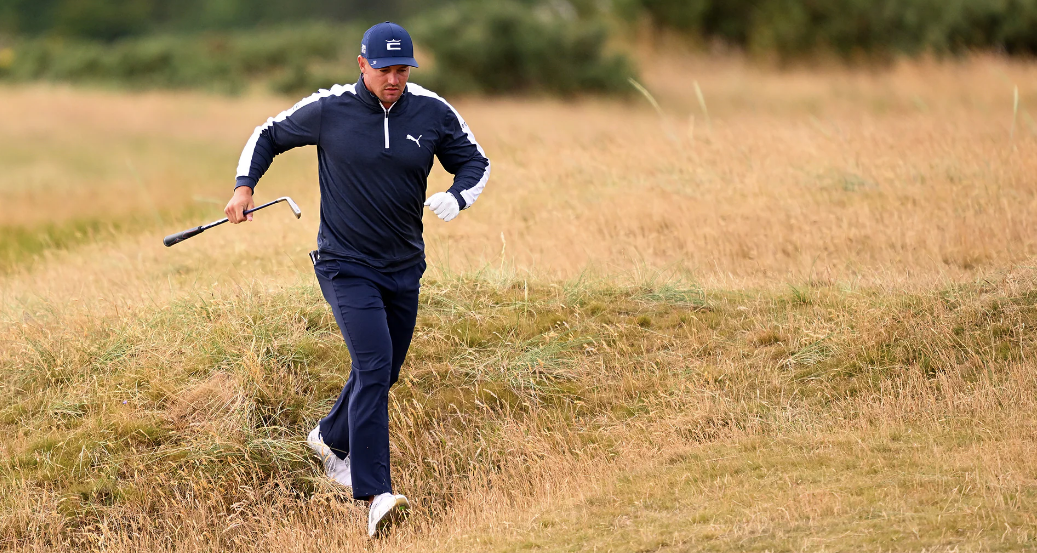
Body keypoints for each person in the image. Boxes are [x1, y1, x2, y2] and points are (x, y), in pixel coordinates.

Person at [223, 21, 490, 538]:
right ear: (362, 64)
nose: (394, 79)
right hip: (345, 264)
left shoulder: (432, 111)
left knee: (385, 371)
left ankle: (328, 437)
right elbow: (268, 134)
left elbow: (475, 163)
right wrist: (244, 187)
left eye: (402, 70)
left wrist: (458, 196)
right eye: (384, 69)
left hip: (404, 266)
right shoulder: (330, 108)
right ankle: (374, 493)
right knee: (373, 367)